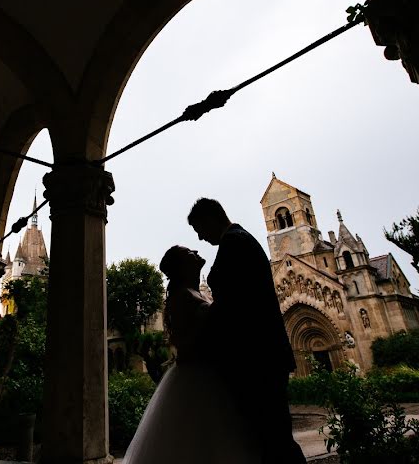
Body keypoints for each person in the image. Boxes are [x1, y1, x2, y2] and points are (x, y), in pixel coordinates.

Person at [188, 197, 305, 464]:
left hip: (257, 358)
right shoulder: (240, 240)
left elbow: (233, 305)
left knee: (273, 439)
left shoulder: (235, 243)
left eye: (200, 230)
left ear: (210, 218)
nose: (201, 238)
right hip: (262, 355)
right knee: (270, 437)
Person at [121, 245, 260, 464]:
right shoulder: (181, 296)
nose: (195, 251)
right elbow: (183, 341)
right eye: (189, 253)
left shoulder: (193, 292)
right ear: (181, 266)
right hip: (197, 377)